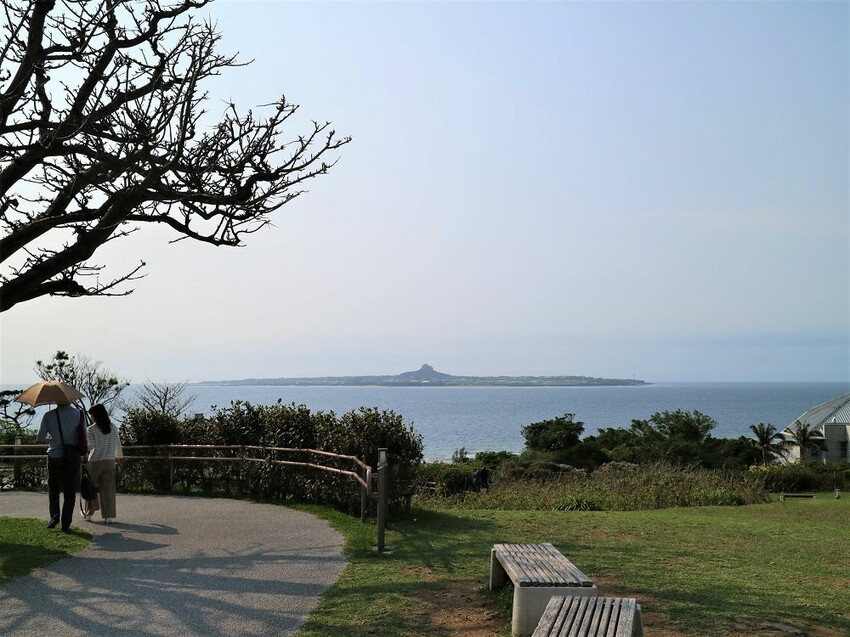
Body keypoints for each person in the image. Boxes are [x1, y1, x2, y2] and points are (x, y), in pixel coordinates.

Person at [37, 402, 86, 532]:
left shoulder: (48, 415)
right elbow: (84, 435)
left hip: (54, 455)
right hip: (72, 457)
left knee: (53, 487)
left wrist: (52, 434)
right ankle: (66, 523)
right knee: (70, 490)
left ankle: (54, 515)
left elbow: (40, 437)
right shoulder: (79, 414)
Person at [85, 404, 123, 524]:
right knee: (108, 489)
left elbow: (91, 446)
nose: (91, 418)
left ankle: (90, 513)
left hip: (95, 461)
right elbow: (118, 444)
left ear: (96, 416)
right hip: (109, 461)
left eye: (92, 415)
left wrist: (81, 449)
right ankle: (108, 516)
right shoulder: (113, 427)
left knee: (90, 488)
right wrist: (118, 457)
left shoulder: (91, 429)